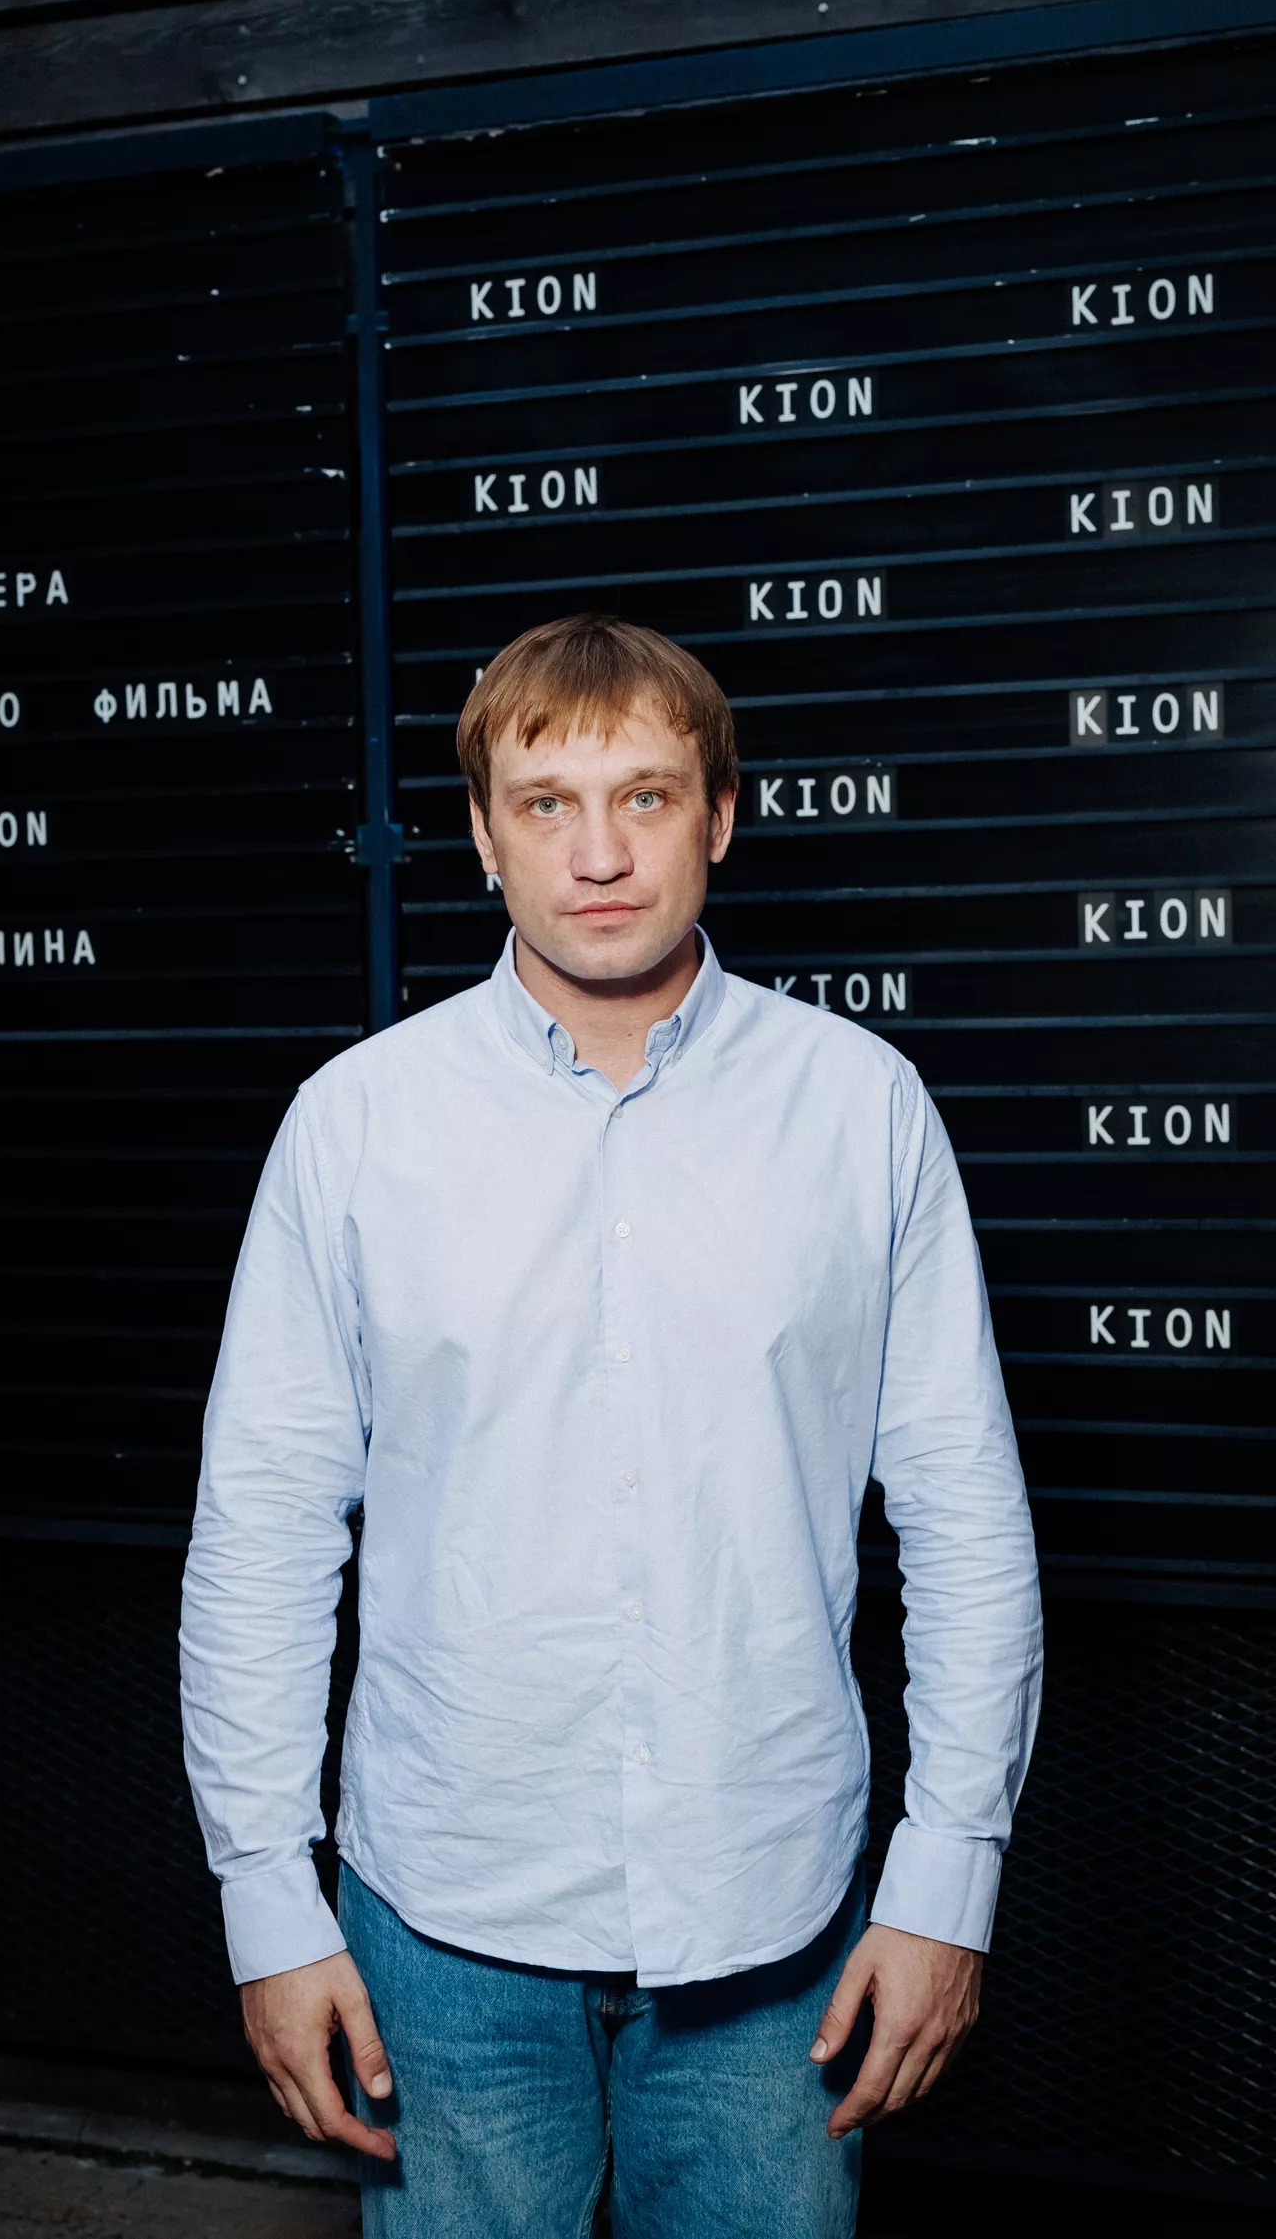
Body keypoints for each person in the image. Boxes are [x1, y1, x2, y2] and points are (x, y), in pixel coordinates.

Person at [181, 612, 1042, 2239]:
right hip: (440, 1920)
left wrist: (949, 1880)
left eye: (645, 797)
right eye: (547, 804)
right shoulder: (356, 1127)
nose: (599, 855)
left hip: (777, 1918)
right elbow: (265, 1533)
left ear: (719, 816)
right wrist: (266, 1904)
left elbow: (964, 1514)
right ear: (482, 835)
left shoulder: (861, 1108)